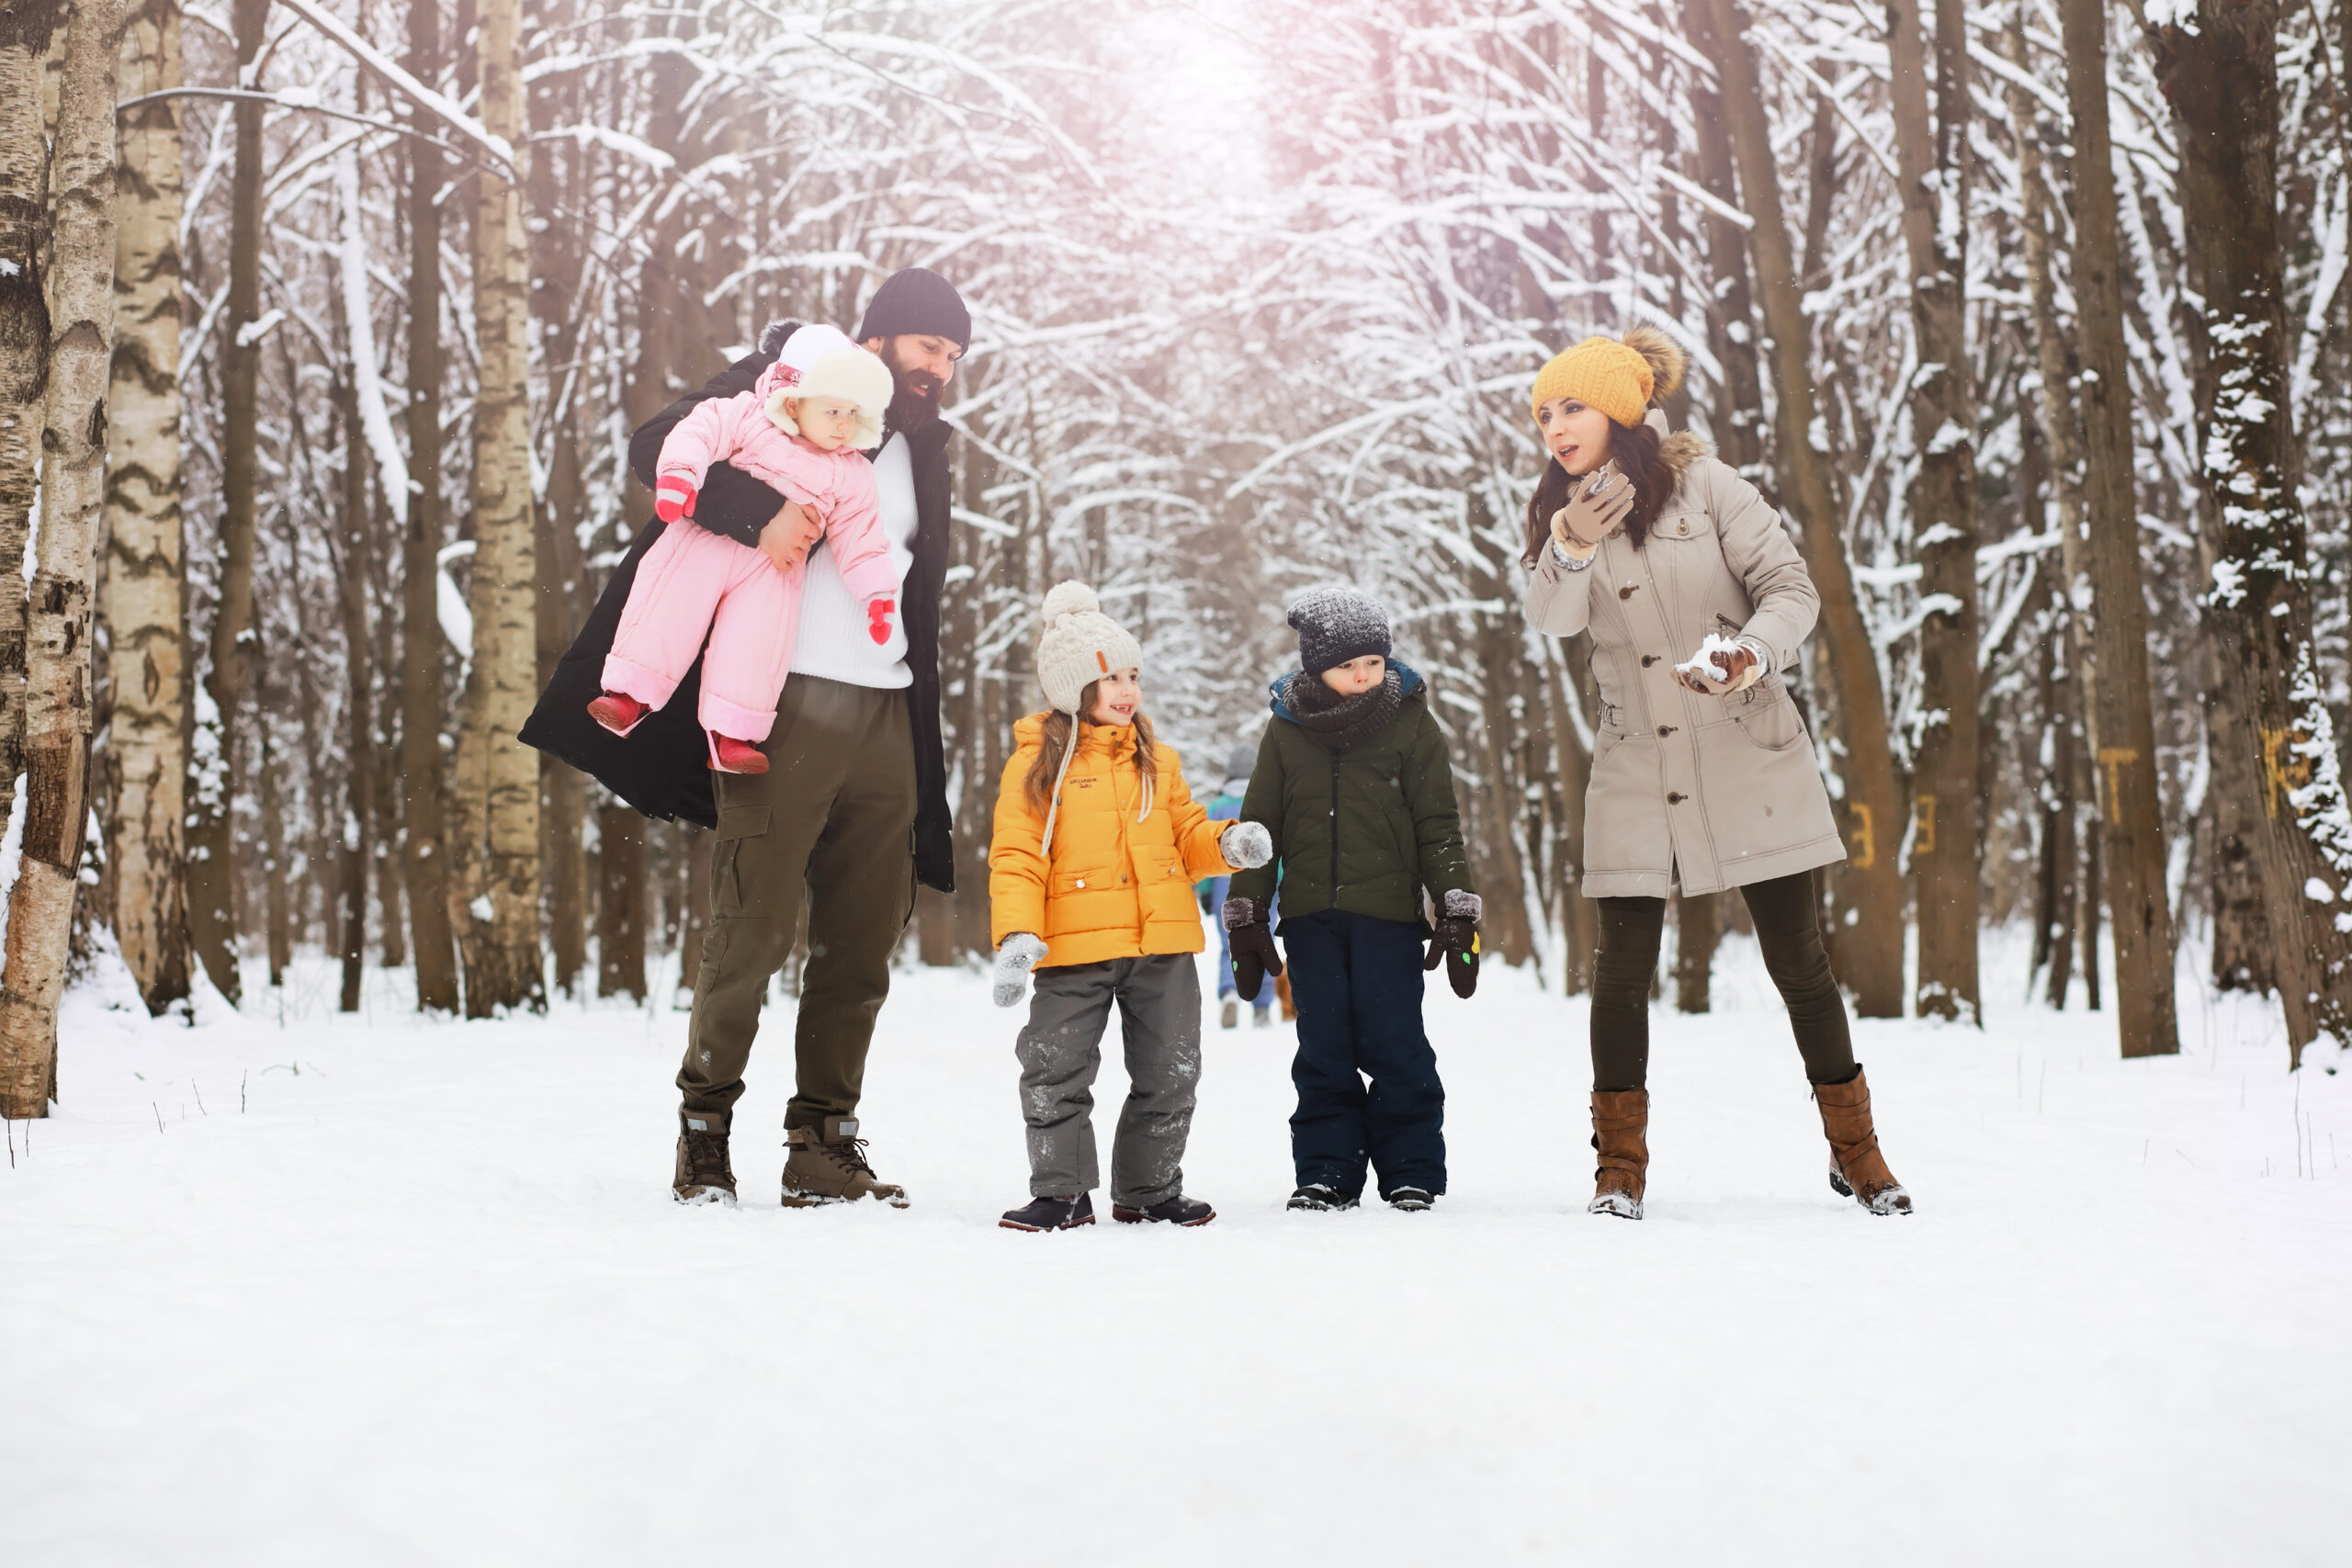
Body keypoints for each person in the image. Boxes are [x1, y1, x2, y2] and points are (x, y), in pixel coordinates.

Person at [519, 265, 971, 1208]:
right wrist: (759, 515)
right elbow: (659, 446)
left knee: (859, 942)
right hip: (782, 703)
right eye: (930, 346)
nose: (942, 368)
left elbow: (909, 584)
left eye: (955, 356)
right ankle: (704, 1132)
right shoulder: (789, 383)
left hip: (886, 714)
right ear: (880, 338)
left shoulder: (925, 447)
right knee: (752, 926)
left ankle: (822, 1144)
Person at [1519, 326, 1914, 1219]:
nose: (1554, 424)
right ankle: (1617, 1171)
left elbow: (1791, 589)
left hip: (1744, 745)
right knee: (1619, 971)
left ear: (1619, 408)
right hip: (1634, 763)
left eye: (1570, 405)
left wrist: (1748, 652)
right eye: (1543, 412)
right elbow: (1550, 617)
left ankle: (1858, 1155)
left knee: (1798, 964)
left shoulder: (1708, 485)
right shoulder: (1559, 512)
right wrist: (1570, 543)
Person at [987, 583, 1272, 1232]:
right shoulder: (1035, 764)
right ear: (1071, 682)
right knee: (1054, 1067)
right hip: (1072, 946)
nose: (1126, 688)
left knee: (1171, 1069)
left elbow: (1187, 836)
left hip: (1161, 943)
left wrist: (1227, 844)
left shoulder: (1157, 760)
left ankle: (1148, 1187)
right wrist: (1017, 934)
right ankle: (1061, 1190)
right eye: (1109, 675)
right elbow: (1016, 855)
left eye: (1132, 674)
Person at [1223, 589, 1479, 1213]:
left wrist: (1454, 903)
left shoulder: (1410, 721)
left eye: (1373, 662)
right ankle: (1327, 1171)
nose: (1364, 676)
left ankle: (1411, 1169)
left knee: (1398, 1045)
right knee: (1323, 1049)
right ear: (1316, 668)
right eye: (1348, 666)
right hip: (1311, 918)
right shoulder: (1285, 729)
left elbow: (1437, 823)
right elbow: (1260, 825)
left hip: (1389, 918)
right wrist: (1249, 910)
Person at [590, 325, 899, 774]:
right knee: (667, 610)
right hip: (704, 544)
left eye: (853, 413)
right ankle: (627, 695)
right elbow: (696, 431)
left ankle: (733, 735)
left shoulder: (851, 473)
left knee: (755, 648)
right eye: (833, 410)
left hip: (773, 574)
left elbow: (863, 537)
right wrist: (680, 476)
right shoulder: (747, 415)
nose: (844, 425)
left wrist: (877, 595)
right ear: (793, 401)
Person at [1198, 742, 1273, 1030]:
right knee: (1262, 943)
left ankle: (1230, 991)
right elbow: (1274, 852)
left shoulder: (1216, 807)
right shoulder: (1264, 803)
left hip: (1223, 888)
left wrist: (1205, 894)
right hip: (1262, 889)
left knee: (1231, 945)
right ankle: (1262, 1006)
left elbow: (1203, 849)